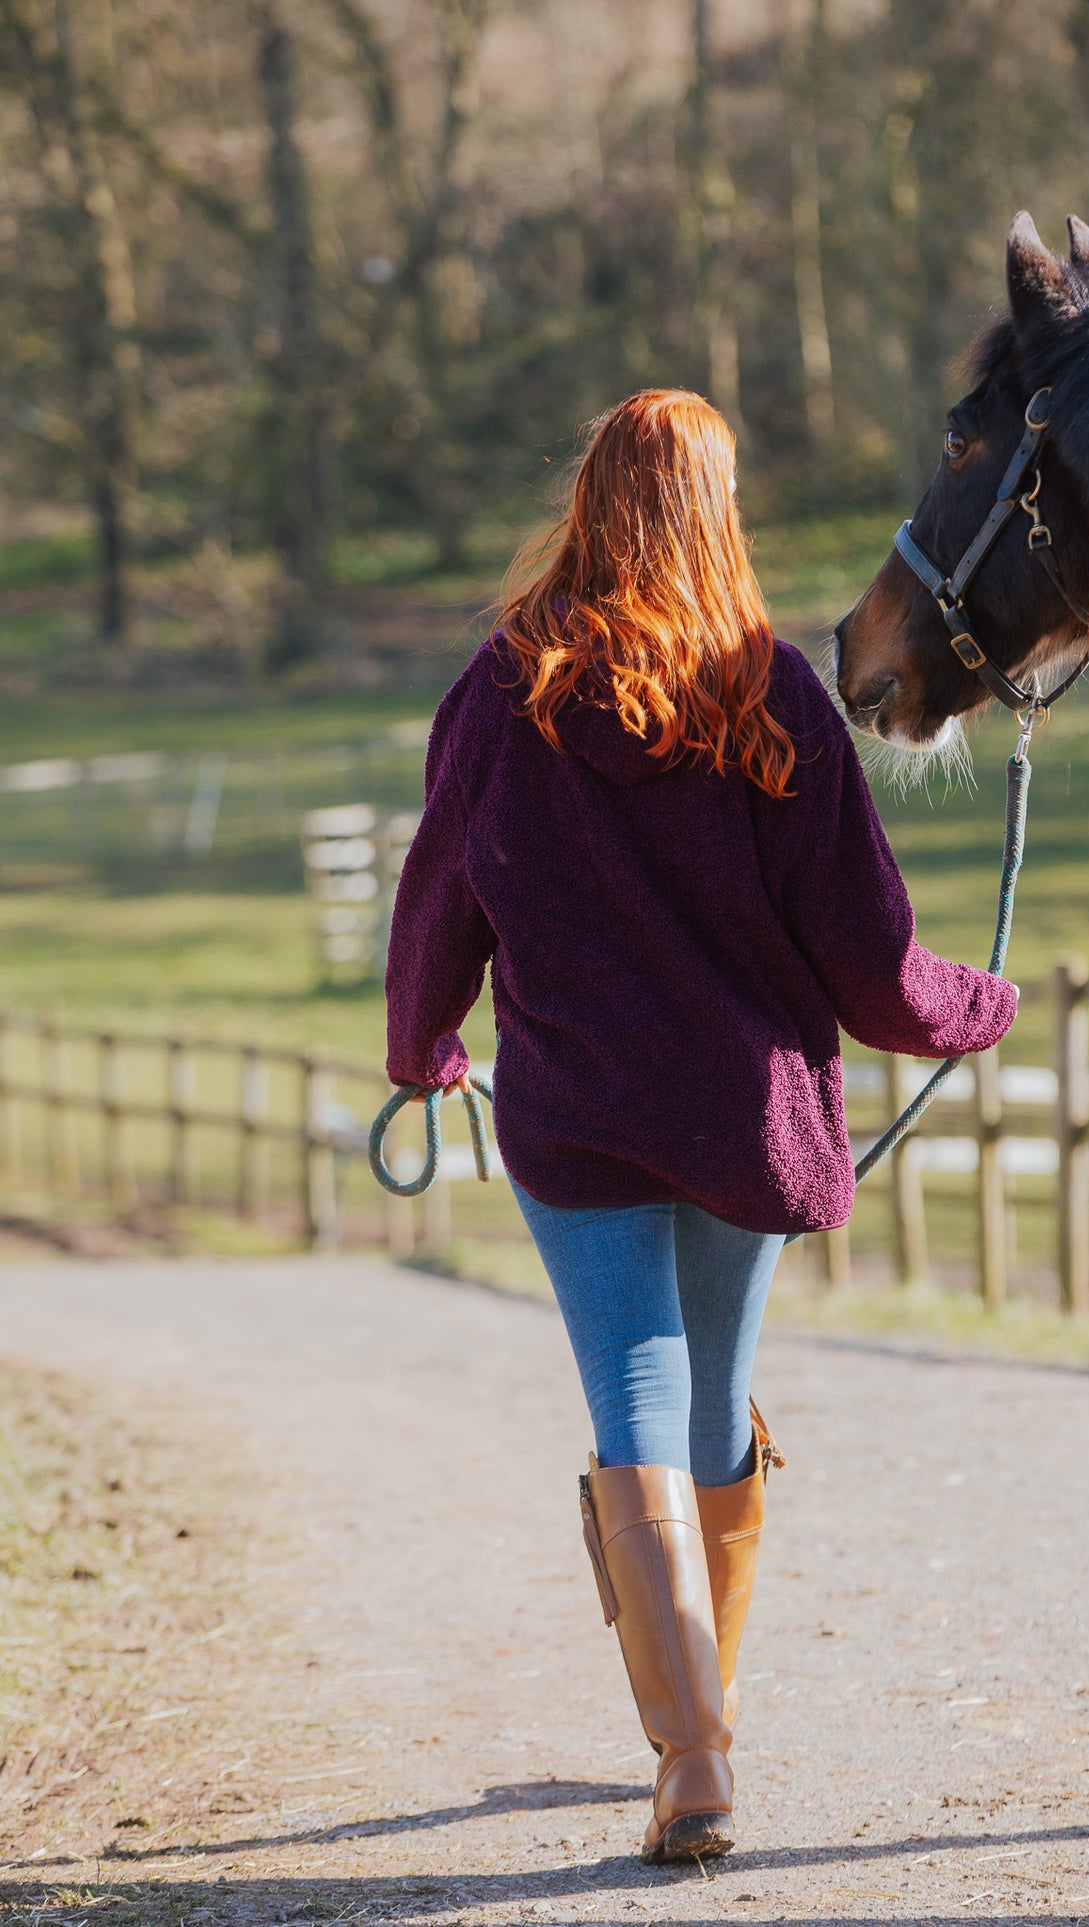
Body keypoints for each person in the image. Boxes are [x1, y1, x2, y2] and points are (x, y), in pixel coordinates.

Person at [383, 389, 1018, 1866]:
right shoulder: (770, 694)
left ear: (590, 504)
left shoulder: (502, 691)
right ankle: (703, 1735)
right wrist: (968, 1008)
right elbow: (865, 956)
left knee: (636, 1405)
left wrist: (423, 1040)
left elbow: (437, 897)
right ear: (713, 514)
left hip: (579, 1120)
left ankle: (695, 1758)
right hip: (743, 1123)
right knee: (714, 1408)